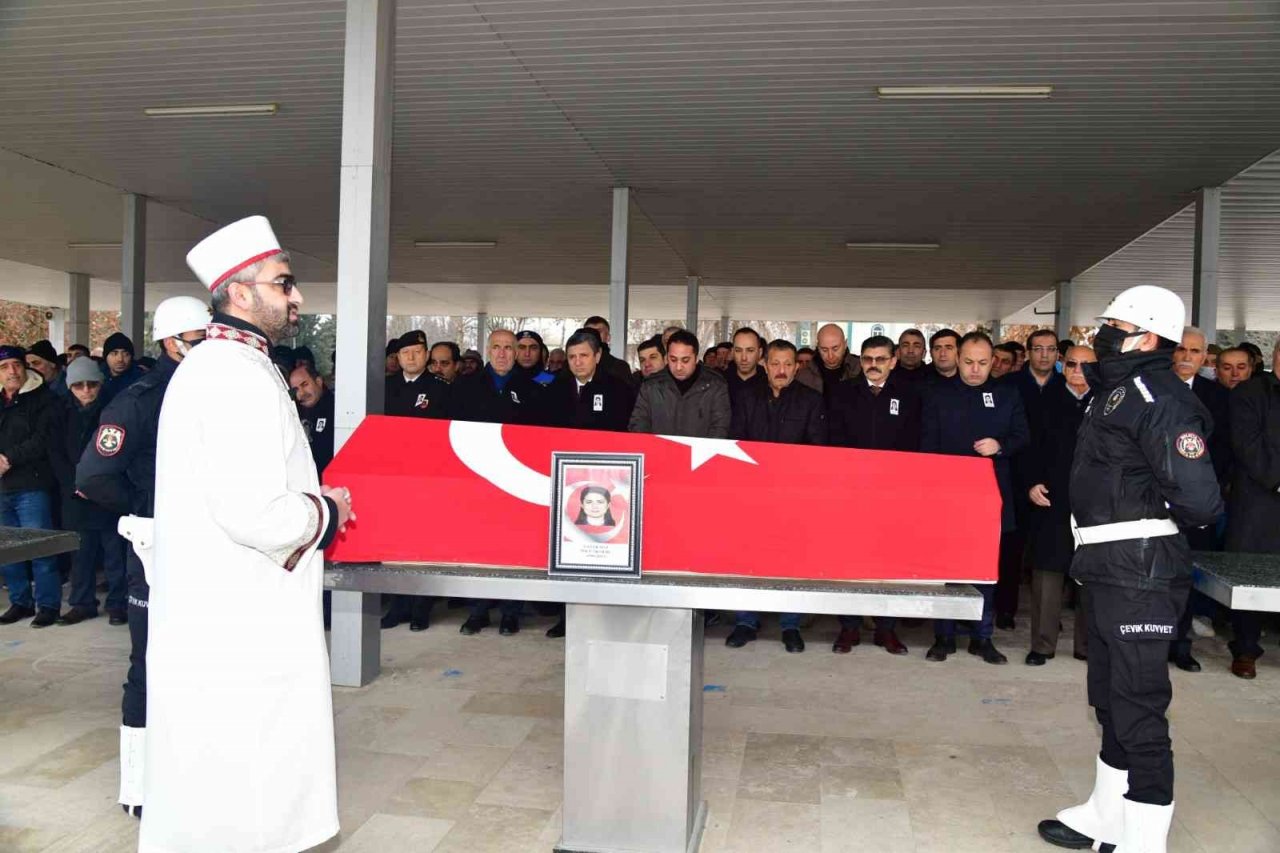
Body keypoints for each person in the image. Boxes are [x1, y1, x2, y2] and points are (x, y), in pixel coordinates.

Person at [141, 215, 352, 853]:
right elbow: (255, 513)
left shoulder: (229, 365)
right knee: (248, 783)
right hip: (241, 621)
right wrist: (329, 510)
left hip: (227, 613)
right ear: (238, 292)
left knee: (224, 777)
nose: (297, 297)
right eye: (283, 283)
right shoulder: (232, 374)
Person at [1037, 285, 1222, 853]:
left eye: (1113, 325)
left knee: (1139, 705)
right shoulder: (1118, 390)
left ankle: (1144, 837)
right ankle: (1106, 816)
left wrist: (1145, 519)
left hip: (1139, 569)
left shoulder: (1159, 397)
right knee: (1109, 696)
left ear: (1145, 335)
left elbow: (1200, 500)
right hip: (1107, 564)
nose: (1102, 334)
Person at [75, 294, 209, 819]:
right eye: (200, 342)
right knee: (148, 663)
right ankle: (139, 784)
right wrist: (148, 507)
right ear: (174, 343)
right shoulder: (140, 399)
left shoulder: (215, 393)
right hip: (157, 550)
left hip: (211, 549)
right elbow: (93, 475)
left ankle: (197, 771)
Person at [922, 332, 1028, 665]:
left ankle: (982, 636)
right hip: (948, 497)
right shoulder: (937, 395)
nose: (975, 369)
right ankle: (944, 635)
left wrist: (1000, 446)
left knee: (985, 572)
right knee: (947, 569)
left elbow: (1022, 435)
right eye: (968, 362)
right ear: (957, 358)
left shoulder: (1007, 394)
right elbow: (926, 447)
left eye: (983, 363)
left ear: (993, 360)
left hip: (991, 496)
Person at [727, 339, 826, 653]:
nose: (781, 370)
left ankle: (790, 624)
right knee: (747, 556)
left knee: (790, 559)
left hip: (793, 494)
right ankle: (746, 621)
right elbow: (735, 443)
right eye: (775, 364)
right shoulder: (745, 397)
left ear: (797, 367)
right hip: (751, 492)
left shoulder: (811, 400)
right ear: (764, 365)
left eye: (788, 364)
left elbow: (817, 448)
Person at [826, 335, 921, 655]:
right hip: (851, 492)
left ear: (893, 361)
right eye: (868, 359)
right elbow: (833, 442)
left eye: (881, 359)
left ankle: (886, 629)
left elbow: (916, 444)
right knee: (850, 561)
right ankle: (849, 627)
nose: (874, 365)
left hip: (895, 494)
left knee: (890, 563)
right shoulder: (842, 392)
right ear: (860, 360)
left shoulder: (910, 395)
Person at [453, 329, 537, 636]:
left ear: (517, 353)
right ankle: (478, 610)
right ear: (488, 350)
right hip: (478, 478)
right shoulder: (466, 386)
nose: (502, 353)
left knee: (515, 544)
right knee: (480, 544)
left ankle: (510, 612)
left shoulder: (531, 388)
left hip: (517, 479)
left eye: (508, 348)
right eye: (497, 347)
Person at [1024, 345, 1096, 666]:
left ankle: (1088, 646)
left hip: (1096, 507)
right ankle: (1042, 644)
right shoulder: (1044, 402)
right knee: (1047, 576)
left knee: (1092, 576)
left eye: (1086, 365)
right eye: (1071, 364)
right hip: (1051, 501)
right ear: (1062, 367)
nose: (1078, 370)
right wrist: (1031, 482)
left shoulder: (1111, 405)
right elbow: (1027, 448)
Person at [1167, 326, 1232, 672]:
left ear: (1205, 356)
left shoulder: (1216, 396)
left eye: (1194, 351)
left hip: (1197, 501)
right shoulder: (1151, 389)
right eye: (1180, 349)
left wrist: (1200, 488)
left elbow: (1223, 451)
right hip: (1155, 499)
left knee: (1186, 575)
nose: (1186, 357)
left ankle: (1180, 644)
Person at [52, 357, 125, 626]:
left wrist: (100, 485)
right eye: (78, 385)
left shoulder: (113, 410)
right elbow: (56, 454)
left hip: (108, 494)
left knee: (114, 554)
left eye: (91, 384)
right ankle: (82, 603)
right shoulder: (59, 413)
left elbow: (118, 451)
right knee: (80, 556)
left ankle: (119, 603)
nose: (85, 391)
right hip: (75, 495)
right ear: (70, 387)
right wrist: (76, 485)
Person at [1222, 338, 1280, 680]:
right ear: (1275, 355)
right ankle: (1245, 647)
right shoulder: (1250, 393)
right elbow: (1247, 445)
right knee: (1250, 572)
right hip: (1259, 498)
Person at [1004, 329, 1064, 629]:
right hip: (1015, 476)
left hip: (1053, 482)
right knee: (1010, 549)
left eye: (1050, 349)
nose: (1044, 355)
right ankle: (1006, 610)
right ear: (1027, 352)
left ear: (1057, 354)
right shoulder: (1009, 385)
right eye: (1038, 349)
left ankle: (1051, 617)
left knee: (1049, 551)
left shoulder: (1067, 387)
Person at [0, 345, 61, 627]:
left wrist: (9, 459)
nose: (12, 371)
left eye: (16, 364)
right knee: (8, 550)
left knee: (40, 548)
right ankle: (20, 602)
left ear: (25, 366)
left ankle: (48, 605)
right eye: (4, 367)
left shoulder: (43, 398)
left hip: (32, 485)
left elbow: (42, 439)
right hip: (2, 488)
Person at [629, 330, 730, 438]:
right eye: (673, 360)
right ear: (666, 357)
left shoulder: (715, 385)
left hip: (701, 454)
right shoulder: (651, 386)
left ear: (696, 358)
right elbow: (638, 426)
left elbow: (720, 429)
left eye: (685, 360)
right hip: (658, 453)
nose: (678, 367)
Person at [540, 328, 634, 433]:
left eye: (583, 356)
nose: (578, 362)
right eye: (572, 357)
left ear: (597, 356)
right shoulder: (554, 388)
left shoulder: (618, 389)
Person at [386, 330, 451, 423]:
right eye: (405, 352)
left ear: (427, 355)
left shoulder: (443, 388)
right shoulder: (385, 386)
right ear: (399, 357)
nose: (411, 358)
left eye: (417, 352)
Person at [292, 364, 335, 474]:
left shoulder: (336, 410)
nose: (301, 393)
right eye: (296, 389)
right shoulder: (293, 413)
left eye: (305, 385)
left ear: (319, 382)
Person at [801, 323, 861, 400]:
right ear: (818, 347)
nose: (830, 356)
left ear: (845, 344)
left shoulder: (860, 369)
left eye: (835, 349)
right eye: (824, 350)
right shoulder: (804, 375)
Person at [583, 315, 636, 387]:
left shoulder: (620, 367)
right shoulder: (573, 363)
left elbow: (628, 395)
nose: (593, 336)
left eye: (598, 332)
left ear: (608, 337)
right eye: (589, 333)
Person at [726, 327, 766, 409]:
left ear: (760, 352)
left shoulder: (771, 385)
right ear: (732, 352)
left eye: (750, 350)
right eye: (738, 350)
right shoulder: (720, 384)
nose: (744, 358)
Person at [101, 332, 144, 404]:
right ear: (105, 357)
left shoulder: (140, 381)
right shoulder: (97, 379)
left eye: (126, 354)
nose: (120, 359)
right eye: (114, 353)